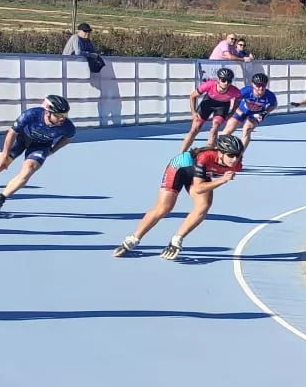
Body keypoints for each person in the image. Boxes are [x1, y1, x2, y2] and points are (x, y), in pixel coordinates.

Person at [115, 133, 246, 260]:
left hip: (200, 173)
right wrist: (222, 180)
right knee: (164, 208)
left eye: (238, 156)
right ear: (220, 152)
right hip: (179, 168)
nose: (234, 159)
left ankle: (177, 239)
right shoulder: (205, 157)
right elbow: (199, 188)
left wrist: (219, 179)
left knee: (203, 206)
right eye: (231, 155)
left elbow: (200, 186)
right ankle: (134, 238)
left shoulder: (237, 165)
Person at [0, 95, 75, 217]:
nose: (62, 119)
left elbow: (67, 138)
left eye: (65, 115)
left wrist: (53, 150)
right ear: (48, 112)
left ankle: (0, 199)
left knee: (28, 170)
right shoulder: (31, 115)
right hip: (21, 140)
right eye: (58, 115)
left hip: (40, 147)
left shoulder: (67, 126)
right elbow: (12, 133)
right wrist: (3, 154)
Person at [181, 67, 241, 152]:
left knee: (215, 127)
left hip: (222, 106)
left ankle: (208, 152)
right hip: (208, 103)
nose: (226, 83)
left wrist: (232, 112)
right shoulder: (209, 85)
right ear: (218, 80)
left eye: (229, 81)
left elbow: (238, 100)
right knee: (195, 128)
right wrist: (194, 112)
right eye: (223, 80)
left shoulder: (235, 91)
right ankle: (181, 154)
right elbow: (192, 96)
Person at [229, 71, 279, 146]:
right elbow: (233, 100)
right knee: (229, 129)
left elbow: (274, 105)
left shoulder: (270, 95)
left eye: (263, 85)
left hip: (257, 113)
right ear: (253, 84)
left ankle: (240, 154)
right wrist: (239, 112)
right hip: (243, 109)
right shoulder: (246, 91)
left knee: (247, 129)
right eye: (258, 85)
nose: (261, 88)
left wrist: (265, 112)